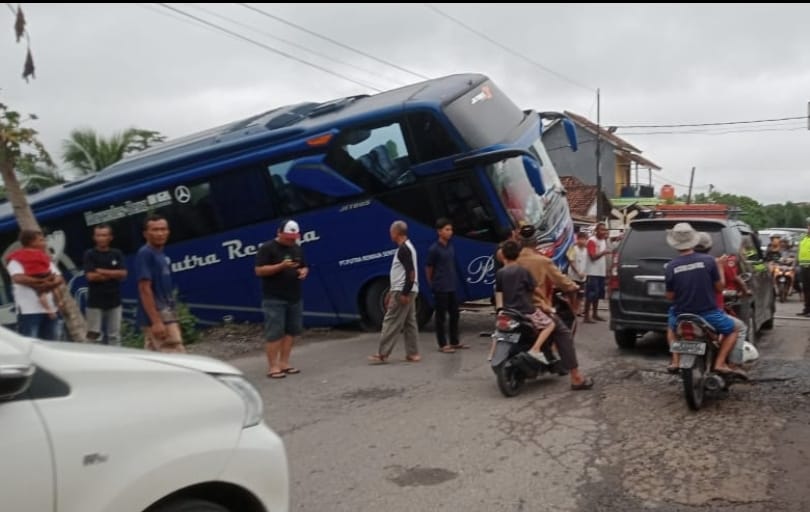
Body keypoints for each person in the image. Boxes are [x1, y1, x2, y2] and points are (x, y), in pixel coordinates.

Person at [516, 225, 594, 390]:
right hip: (536, 307)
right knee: (563, 333)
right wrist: (573, 287)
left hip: (512, 307)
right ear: (536, 242)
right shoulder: (542, 261)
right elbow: (561, 281)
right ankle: (576, 377)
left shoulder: (512, 259)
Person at [664, 223, 742, 376]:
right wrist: (720, 266)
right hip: (708, 314)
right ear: (694, 240)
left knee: (671, 329)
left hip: (681, 314)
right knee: (734, 330)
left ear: (675, 244)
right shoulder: (709, 261)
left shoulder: (671, 266)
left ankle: (675, 361)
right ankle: (720, 363)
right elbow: (720, 288)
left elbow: (670, 296)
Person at [255, 219, 309, 379]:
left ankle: (285, 363)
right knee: (275, 332)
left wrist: (304, 271)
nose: (291, 241)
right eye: (288, 238)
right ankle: (273, 367)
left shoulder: (297, 248)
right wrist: (281, 266)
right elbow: (259, 271)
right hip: (274, 297)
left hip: (294, 295)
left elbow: (303, 265)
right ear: (279, 233)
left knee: (291, 330)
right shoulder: (267, 248)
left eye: (293, 238)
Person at [368, 220, 421, 364]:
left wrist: (403, 292)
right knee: (410, 322)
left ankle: (382, 353)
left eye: (391, 232)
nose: (390, 235)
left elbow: (410, 272)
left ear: (396, 233)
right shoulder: (409, 247)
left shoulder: (404, 249)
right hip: (409, 289)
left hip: (403, 290)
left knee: (391, 321)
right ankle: (413, 353)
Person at [495, 240, 556, 363]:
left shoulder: (500, 273)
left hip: (508, 312)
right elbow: (535, 289)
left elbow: (498, 292)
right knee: (550, 324)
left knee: (498, 333)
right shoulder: (523, 271)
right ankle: (535, 349)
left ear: (504, 255)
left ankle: (492, 355)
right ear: (518, 254)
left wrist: (500, 309)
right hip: (526, 311)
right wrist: (545, 299)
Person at [136, 214, 184, 353]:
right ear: (145, 234)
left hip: (167, 312)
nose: (160, 233)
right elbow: (144, 289)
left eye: (163, 229)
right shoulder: (145, 254)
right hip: (159, 315)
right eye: (155, 230)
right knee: (176, 355)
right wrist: (156, 321)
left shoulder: (160, 254)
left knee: (155, 359)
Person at [6, 229, 63, 340]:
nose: (45, 243)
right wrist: (41, 282)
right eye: (41, 240)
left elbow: (58, 277)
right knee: (31, 344)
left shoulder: (44, 258)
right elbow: (17, 277)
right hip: (29, 311)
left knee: (54, 344)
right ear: (31, 242)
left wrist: (50, 283)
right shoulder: (16, 260)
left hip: (51, 309)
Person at [425, 218, 467, 353]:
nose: (450, 232)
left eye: (451, 229)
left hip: (451, 286)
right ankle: (442, 344)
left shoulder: (450, 246)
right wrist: (432, 283)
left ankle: (454, 341)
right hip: (440, 287)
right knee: (440, 317)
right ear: (439, 232)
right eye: (447, 230)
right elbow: (429, 268)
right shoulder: (434, 249)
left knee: (455, 314)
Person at [83, 224, 127, 345]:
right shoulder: (89, 254)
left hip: (114, 301)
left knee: (115, 336)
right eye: (98, 235)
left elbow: (123, 274)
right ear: (94, 237)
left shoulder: (117, 253)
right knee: (93, 337)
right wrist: (113, 274)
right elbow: (91, 276)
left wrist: (102, 271)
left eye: (104, 235)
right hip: (94, 303)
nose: (101, 238)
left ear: (110, 237)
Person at [584, 222, 609, 323]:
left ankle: (595, 314)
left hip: (600, 272)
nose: (603, 232)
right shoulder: (591, 241)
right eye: (601, 230)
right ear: (596, 231)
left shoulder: (603, 241)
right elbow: (593, 257)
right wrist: (604, 252)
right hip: (592, 272)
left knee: (598, 294)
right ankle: (586, 316)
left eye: (605, 230)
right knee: (590, 294)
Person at [566, 231, 589, 317]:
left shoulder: (586, 250)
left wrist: (585, 272)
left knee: (580, 295)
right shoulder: (573, 248)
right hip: (573, 276)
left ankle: (577, 310)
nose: (583, 241)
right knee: (573, 294)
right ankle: (572, 310)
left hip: (582, 276)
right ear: (578, 239)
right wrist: (578, 272)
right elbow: (571, 262)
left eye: (585, 239)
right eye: (582, 239)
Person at [798, 218, 810, 317]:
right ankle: (806, 309)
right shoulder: (803, 238)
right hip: (803, 267)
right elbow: (799, 251)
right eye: (808, 226)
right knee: (805, 289)